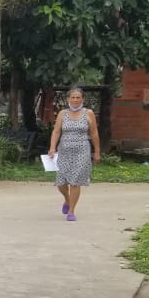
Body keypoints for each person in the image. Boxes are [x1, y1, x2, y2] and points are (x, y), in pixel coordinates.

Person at [47, 87, 101, 221]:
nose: (75, 100)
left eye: (78, 98)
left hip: (82, 151)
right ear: (68, 99)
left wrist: (97, 152)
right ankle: (67, 199)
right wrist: (52, 147)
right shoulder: (62, 114)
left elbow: (94, 133)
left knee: (75, 181)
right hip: (64, 150)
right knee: (61, 182)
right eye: (73, 97)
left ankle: (71, 211)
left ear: (83, 99)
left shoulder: (88, 113)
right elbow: (56, 132)